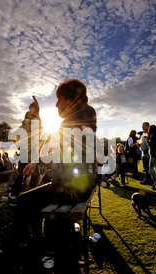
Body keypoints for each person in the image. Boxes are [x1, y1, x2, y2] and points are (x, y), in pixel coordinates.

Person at [13, 78, 98, 244]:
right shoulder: (81, 117)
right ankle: (41, 239)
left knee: (23, 201)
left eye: (60, 99)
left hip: (72, 187)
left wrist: (35, 115)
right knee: (41, 183)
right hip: (78, 183)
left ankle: (24, 246)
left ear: (71, 99)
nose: (56, 104)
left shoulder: (76, 121)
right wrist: (36, 162)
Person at [9, 99, 43, 202]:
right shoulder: (35, 125)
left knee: (21, 174)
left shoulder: (21, 127)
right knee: (34, 174)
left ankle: (15, 193)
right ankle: (31, 193)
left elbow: (17, 141)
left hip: (24, 152)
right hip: (32, 153)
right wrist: (38, 111)